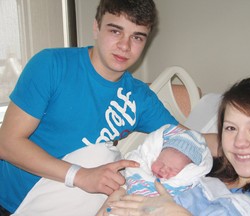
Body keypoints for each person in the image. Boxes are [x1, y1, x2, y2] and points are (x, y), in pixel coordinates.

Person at [0, 0, 182, 214]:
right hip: (9, 202)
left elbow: (185, 138)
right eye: (116, 31)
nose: (125, 46)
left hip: (72, 205)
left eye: (137, 37)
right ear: (96, 27)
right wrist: (81, 175)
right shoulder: (51, 65)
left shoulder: (139, 97)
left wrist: (229, 132)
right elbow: (6, 144)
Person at [102, 78, 250, 216]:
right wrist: (120, 194)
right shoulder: (199, 168)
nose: (240, 142)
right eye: (231, 128)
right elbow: (190, 140)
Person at [124, 124, 212, 197]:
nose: (163, 170)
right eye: (161, 162)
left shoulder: (185, 190)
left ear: (186, 172)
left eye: (172, 169)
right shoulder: (139, 172)